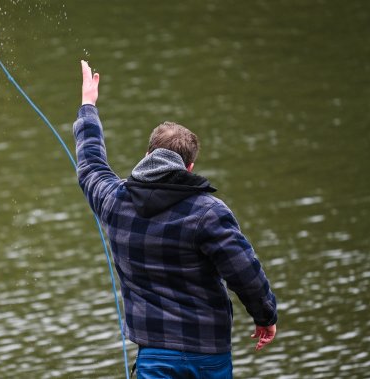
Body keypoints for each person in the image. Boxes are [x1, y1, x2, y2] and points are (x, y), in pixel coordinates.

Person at [73, 60, 278, 378]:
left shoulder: (114, 201)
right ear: (189, 168)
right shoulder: (209, 212)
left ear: (147, 155)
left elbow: (89, 161)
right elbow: (244, 272)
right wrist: (264, 315)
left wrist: (88, 104)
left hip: (155, 357)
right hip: (209, 356)